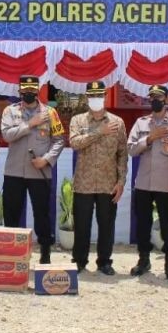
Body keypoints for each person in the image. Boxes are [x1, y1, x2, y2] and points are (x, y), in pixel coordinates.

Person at [0, 75, 65, 264]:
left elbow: (59, 140)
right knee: (11, 213)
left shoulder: (50, 113)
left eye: (32, 90)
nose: (28, 93)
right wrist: (30, 124)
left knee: (42, 213)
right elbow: (6, 135)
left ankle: (45, 254)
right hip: (14, 172)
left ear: (37, 91)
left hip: (39, 172)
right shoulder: (10, 111)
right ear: (20, 91)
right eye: (25, 90)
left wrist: (46, 160)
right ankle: (11, 255)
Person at [126, 84, 168, 278]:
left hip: (166, 183)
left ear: (166, 100)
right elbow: (131, 149)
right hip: (143, 182)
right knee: (142, 223)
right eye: (152, 97)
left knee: (167, 224)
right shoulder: (141, 123)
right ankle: (144, 260)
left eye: (159, 98)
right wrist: (150, 138)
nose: (155, 101)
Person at [69, 81, 127, 275]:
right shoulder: (78, 121)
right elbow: (75, 143)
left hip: (107, 183)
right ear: (87, 98)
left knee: (107, 225)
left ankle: (104, 262)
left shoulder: (117, 122)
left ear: (104, 97)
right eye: (92, 96)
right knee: (82, 225)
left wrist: (121, 182)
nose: (96, 99)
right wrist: (98, 132)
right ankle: (79, 260)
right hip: (84, 183)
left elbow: (122, 154)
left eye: (99, 96)